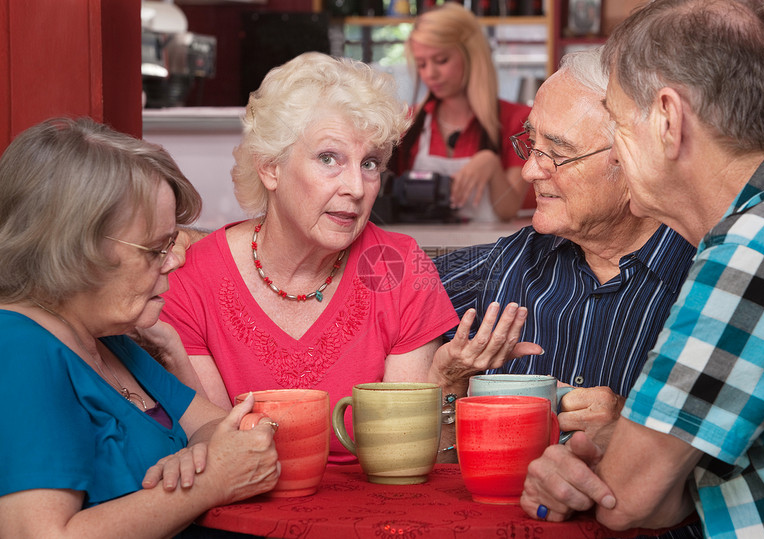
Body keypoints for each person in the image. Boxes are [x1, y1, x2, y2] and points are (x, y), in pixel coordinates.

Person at [520, 1, 764, 537]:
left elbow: (626, 501)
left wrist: (600, 463)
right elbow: (663, 494)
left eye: (615, 116)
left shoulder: (753, 251)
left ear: (668, 120)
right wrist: (623, 448)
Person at [160, 52, 540, 463]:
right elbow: (220, 450)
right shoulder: (192, 278)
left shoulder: (399, 266)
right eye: (329, 159)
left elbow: (404, 457)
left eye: (371, 163)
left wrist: (446, 382)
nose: (357, 188)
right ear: (270, 168)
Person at [435, 48, 701, 539]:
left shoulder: (711, 280)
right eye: (529, 145)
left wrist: (635, 434)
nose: (531, 171)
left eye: (555, 153)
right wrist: (447, 383)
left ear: (634, 157)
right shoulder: (510, 264)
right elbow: (380, 292)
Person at [0, 117, 280, 538]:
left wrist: (201, 454)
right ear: (76, 250)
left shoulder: (109, 337)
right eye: (155, 249)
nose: (175, 261)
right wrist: (207, 482)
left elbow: (223, 429)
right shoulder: (20, 348)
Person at [387, 2, 531, 222]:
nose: (430, 74)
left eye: (441, 60)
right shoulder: (407, 122)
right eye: (422, 64)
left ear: (472, 55)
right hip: (420, 251)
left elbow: (508, 210)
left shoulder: (517, 120)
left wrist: (491, 164)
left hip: (490, 253)